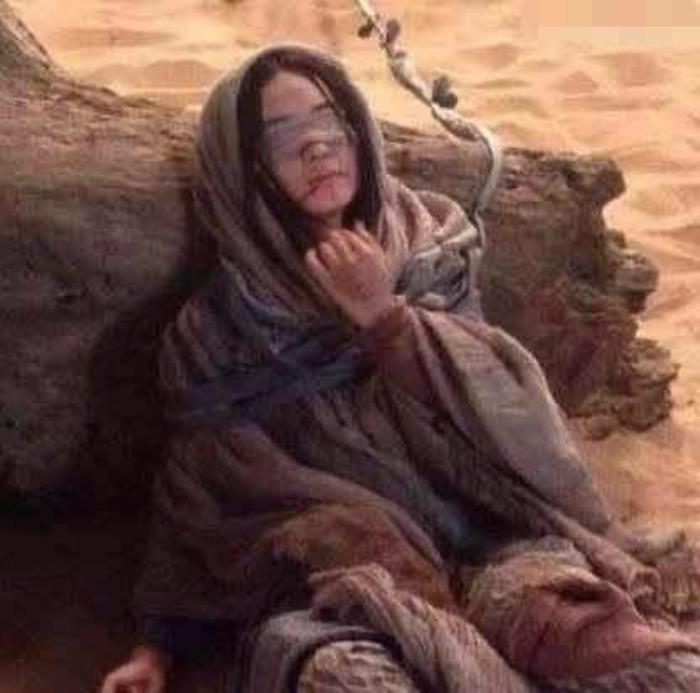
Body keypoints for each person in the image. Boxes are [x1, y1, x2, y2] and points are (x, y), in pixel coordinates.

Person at [99, 43, 700, 693]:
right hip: (343, 583)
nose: (317, 147)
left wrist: (387, 320)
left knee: (645, 663)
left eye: (329, 120)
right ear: (243, 171)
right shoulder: (215, 332)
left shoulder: (429, 245)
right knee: (345, 677)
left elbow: (508, 417)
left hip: (496, 543)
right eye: (281, 135)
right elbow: (201, 497)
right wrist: (154, 649)